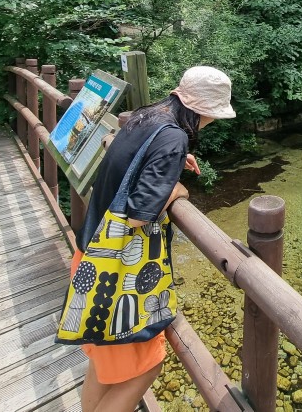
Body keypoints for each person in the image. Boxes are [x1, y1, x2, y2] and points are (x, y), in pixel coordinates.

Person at [71, 66, 236, 412]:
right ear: (205, 110)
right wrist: (176, 189)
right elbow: (138, 214)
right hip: (116, 276)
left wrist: (168, 164)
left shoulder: (147, 115)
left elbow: (120, 148)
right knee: (145, 370)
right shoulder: (173, 137)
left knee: (103, 367)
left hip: (89, 256)